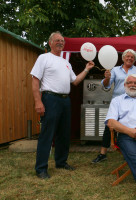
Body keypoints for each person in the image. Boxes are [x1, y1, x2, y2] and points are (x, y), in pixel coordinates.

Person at [31, 31, 94, 179]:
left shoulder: (66, 63)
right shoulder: (44, 58)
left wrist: (86, 69)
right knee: (47, 134)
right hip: (50, 99)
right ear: (50, 42)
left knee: (64, 134)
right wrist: (38, 101)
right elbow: (35, 80)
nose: (60, 42)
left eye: (62, 41)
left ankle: (61, 162)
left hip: (66, 101)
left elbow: (76, 81)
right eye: (57, 40)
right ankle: (41, 168)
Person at [91, 49, 136, 164]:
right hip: (117, 103)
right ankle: (102, 154)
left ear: (134, 59)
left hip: (133, 102)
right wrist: (106, 77)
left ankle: (131, 152)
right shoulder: (115, 70)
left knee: (131, 126)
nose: (129, 58)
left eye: (132, 57)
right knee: (109, 126)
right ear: (123, 58)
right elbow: (106, 85)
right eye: (127, 56)